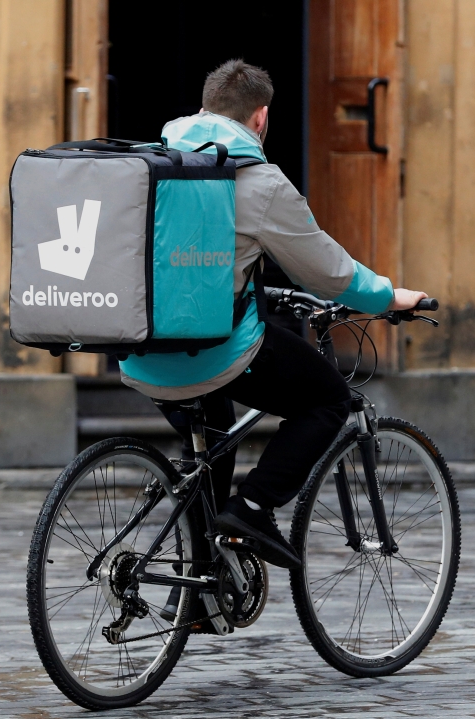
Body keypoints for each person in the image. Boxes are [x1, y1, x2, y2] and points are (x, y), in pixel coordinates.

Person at [119, 59, 427, 571]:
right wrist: (390, 297)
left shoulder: (148, 165)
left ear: (201, 109)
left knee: (211, 439)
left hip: (139, 353)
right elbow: (329, 275)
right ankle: (253, 509)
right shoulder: (260, 183)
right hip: (212, 354)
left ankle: (202, 587)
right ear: (260, 118)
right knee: (328, 400)